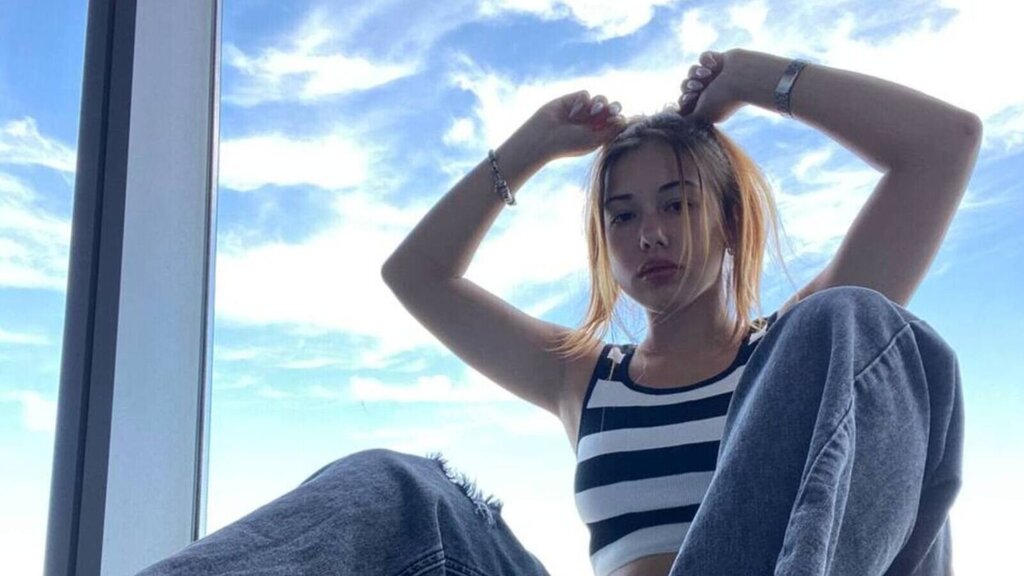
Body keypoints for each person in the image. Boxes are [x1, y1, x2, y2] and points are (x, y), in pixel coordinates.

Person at [137, 48, 979, 576]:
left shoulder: (797, 366)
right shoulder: (585, 379)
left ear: (728, 220)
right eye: (622, 214)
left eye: (677, 203)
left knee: (848, 321)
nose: (650, 233)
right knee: (403, 489)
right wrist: (533, 144)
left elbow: (944, 146)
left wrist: (752, 79)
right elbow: (416, 275)